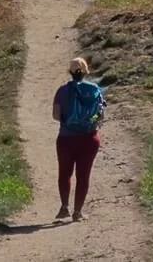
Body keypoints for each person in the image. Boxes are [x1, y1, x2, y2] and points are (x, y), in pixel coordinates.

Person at [52, 57, 105, 222]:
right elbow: (100, 114)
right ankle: (78, 212)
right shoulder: (95, 89)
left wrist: (68, 122)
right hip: (89, 138)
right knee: (83, 175)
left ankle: (64, 207)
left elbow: (55, 115)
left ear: (70, 71)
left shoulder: (62, 91)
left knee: (65, 173)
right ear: (86, 71)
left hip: (66, 138)